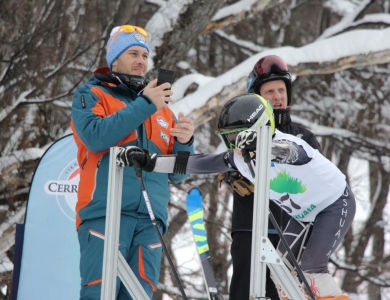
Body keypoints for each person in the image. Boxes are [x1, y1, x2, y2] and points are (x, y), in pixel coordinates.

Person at [118, 93, 355, 300]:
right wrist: (151, 162)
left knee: (312, 268)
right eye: (229, 138)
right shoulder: (239, 159)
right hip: (304, 216)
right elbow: (197, 163)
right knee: (282, 272)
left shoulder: (287, 143)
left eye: (238, 136)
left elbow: (289, 153)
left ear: (259, 128)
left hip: (334, 204)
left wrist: (262, 146)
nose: (235, 145)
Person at [70, 24, 195, 299]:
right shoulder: (91, 94)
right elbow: (94, 138)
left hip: (151, 223)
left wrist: (186, 142)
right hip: (105, 215)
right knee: (99, 294)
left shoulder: (162, 111)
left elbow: (177, 175)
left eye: (145, 56)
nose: (141, 61)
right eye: (133, 53)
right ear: (114, 59)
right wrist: (145, 104)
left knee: (139, 295)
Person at [219, 55, 322, 300]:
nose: (277, 96)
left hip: (292, 232)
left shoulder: (303, 138)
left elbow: (320, 186)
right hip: (249, 231)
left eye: (281, 90)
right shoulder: (242, 133)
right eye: (269, 91)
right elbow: (225, 161)